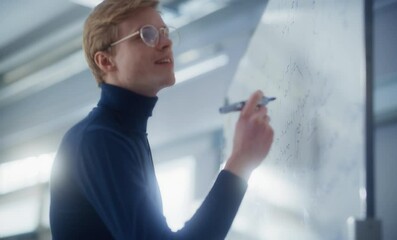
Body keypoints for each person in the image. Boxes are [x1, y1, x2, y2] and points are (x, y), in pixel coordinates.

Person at [49, 0, 273, 239]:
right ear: (106, 61)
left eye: (165, 33)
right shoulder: (98, 139)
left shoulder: (124, 135)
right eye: (147, 34)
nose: (166, 43)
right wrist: (241, 161)